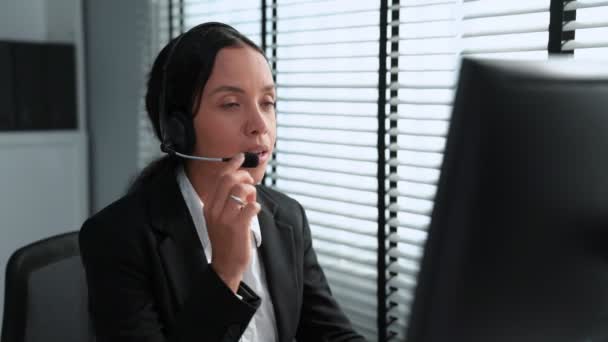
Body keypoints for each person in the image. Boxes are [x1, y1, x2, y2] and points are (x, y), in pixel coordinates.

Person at [79, 22, 367, 342]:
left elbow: (332, 334)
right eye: (231, 104)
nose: (260, 125)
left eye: (268, 102)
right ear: (179, 130)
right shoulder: (116, 237)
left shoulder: (287, 218)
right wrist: (226, 271)